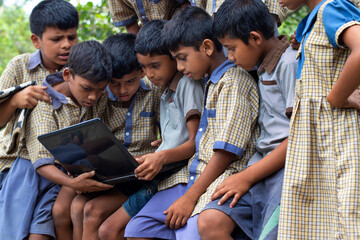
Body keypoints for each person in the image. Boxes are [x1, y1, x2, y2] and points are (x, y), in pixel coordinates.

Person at [124, 6, 259, 239]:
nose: (179, 67)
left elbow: (226, 153)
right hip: (196, 172)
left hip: (225, 175)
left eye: (182, 58)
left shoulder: (233, 83)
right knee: (137, 229)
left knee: (189, 232)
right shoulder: (212, 82)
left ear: (207, 47)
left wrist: (189, 198)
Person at [197, 0, 297, 239]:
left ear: (255, 38)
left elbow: (299, 136)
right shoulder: (259, 67)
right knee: (210, 222)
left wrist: (246, 177)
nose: (230, 57)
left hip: (286, 167)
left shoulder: (290, 64)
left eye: (231, 48)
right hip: (259, 163)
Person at [96, 19, 204, 240]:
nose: (150, 74)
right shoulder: (165, 91)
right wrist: (158, 150)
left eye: (155, 65)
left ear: (174, 58)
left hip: (177, 175)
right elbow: (175, 136)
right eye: (144, 67)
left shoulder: (187, 85)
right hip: (163, 172)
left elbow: (196, 142)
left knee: (114, 230)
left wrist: (161, 156)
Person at [277, 0, 360, 239]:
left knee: (342, 220)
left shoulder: (332, 8)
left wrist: (335, 98)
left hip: (334, 140)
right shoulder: (314, 21)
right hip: (314, 145)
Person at [67, 33, 162, 240]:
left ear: (142, 72)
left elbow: (168, 131)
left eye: (130, 81)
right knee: (76, 206)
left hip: (140, 174)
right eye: (114, 83)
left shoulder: (154, 93)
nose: (122, 90)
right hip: (110, 173)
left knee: (92, 211)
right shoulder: (100, 98)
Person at [0, 0, 79, 239]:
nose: (66, 45)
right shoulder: (19, 66)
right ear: (36, 40)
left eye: (72, 37)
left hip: (62, 169)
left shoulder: (83, 67)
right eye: (57, 39)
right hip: (19, 166)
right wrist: (14, 101)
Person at [107, 0, 186, 34]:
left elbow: (185, 5)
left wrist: (181, 32)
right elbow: (129, 21)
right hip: (148, 33)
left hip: (177, 26)